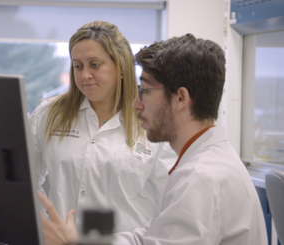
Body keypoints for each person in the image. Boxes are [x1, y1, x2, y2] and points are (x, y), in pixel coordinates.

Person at [39, 33, 268, 245]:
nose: (136, 104)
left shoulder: (201, 177)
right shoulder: (205, 162)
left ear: (180, 98)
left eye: (145, 91)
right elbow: (149, 237)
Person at [29, 20, 177, 233]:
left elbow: (171, 201)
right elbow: (25, 182)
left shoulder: (153, 120)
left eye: (95, 64)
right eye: (77, 66)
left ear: (122, 67)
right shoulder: (49, 114)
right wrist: (44, 228)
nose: (84, 75)